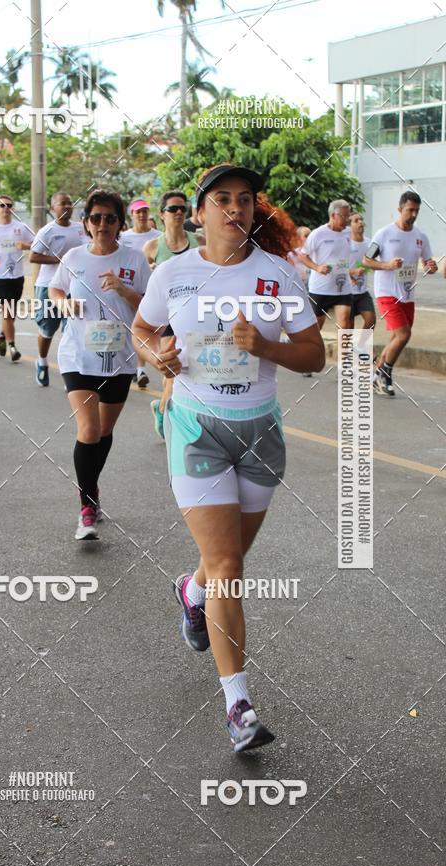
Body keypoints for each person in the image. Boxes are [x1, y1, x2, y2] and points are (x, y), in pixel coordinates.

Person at [132, 164, 324, 752]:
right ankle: (237, 704)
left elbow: (314, 355)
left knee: (224, 564)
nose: (234, 208)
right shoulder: (174, 273)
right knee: (229, 566)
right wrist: (155, 357)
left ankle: (191, 593)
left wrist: (264, 346)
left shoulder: (278, 274)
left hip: (260, 432)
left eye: (244, 199)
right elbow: (141, 331)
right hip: (196, 429)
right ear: (201, 212)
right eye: (221, 199)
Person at [49, 189, 150, 540]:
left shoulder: (135, 260)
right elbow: (55, 290)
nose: (102, 223)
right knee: (89, 430)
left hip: (119, 358)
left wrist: (123, 290)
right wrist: (64, 304)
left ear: (120, 223)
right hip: (77, 354)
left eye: (109, 218)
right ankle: (87, 508)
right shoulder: (74, 257)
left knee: (103, 433)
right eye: (96, 217)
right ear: (86, 223)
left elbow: (149, 308)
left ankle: (91, 491)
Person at [363, 190, 437, 397]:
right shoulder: (384, 234)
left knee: (397, 336)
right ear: (400, 209)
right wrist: (386, 265)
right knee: (404, 335)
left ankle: (376, 375)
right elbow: (367, 260)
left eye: (417, 211)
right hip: (386, 293)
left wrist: (431, 267)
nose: (413, 214)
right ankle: (385, 374)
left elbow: (428, 264)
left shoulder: (420, 237)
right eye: (410, 210)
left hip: (408, 294)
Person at [143, 190, 203, 440]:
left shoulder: (200, 242)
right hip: (166, 316)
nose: (179, 213)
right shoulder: (153, 247)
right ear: (162, 214)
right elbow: (148, 287)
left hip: (194, 313)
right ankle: (169, 417)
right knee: (172, 372)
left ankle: (165, 408)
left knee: (187, 370)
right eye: (172, 209)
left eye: (183, 208)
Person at [29, 192, 87, 386]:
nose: (67, 206)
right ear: (53, 208)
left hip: (74, 287)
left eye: (70, 203)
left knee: (70, 331)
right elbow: (33, 256)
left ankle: (69, 371)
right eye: (62, 204)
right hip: (48, 286)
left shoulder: (81, 229)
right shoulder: (47, 231)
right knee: (48, 329)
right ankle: (42, 362)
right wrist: (59, 260)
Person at [0, 195, 33, 362]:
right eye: (2, 205)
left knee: (10, 315)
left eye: (9, 205)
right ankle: (12, 346)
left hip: (17, 275)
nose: (5, 208)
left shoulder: (21, 227)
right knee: (7, 311)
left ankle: (2, 336)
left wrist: (24, 246)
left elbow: (36, 244)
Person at [120, 198, 161, 387]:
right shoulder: (124, 238)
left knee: (147, 327)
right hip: (131, 287)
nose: (142, 215)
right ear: (132, 215)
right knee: (134, 327)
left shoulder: (159, 236)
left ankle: (140, 369)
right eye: (138, 212)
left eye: (145, 211)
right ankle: (137, 368)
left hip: (154, 287)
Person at [298, 200, 355, 331]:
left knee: (345, 324)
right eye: (344, 217)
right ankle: (312, 350)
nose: (347, 220)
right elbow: (302, 256)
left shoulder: (348, 232)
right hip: (321, 289)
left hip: (343, 287)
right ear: (333, 215)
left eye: (348, 216)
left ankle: (345, 352)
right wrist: (317, 267)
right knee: (315, 329)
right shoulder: (318, 234)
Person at [348, 212, 375, 330]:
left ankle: (361, 347)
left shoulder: (370, 243)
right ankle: (347, 349)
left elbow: (373, 262)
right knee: (348, 329)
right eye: (356, 220)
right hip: (346, 294)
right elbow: (335, 268)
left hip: (362, 292)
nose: (360, 222)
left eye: (361, 219)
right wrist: (353, 272)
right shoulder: (345, 244)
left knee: (371, 320)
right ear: (349, 226)